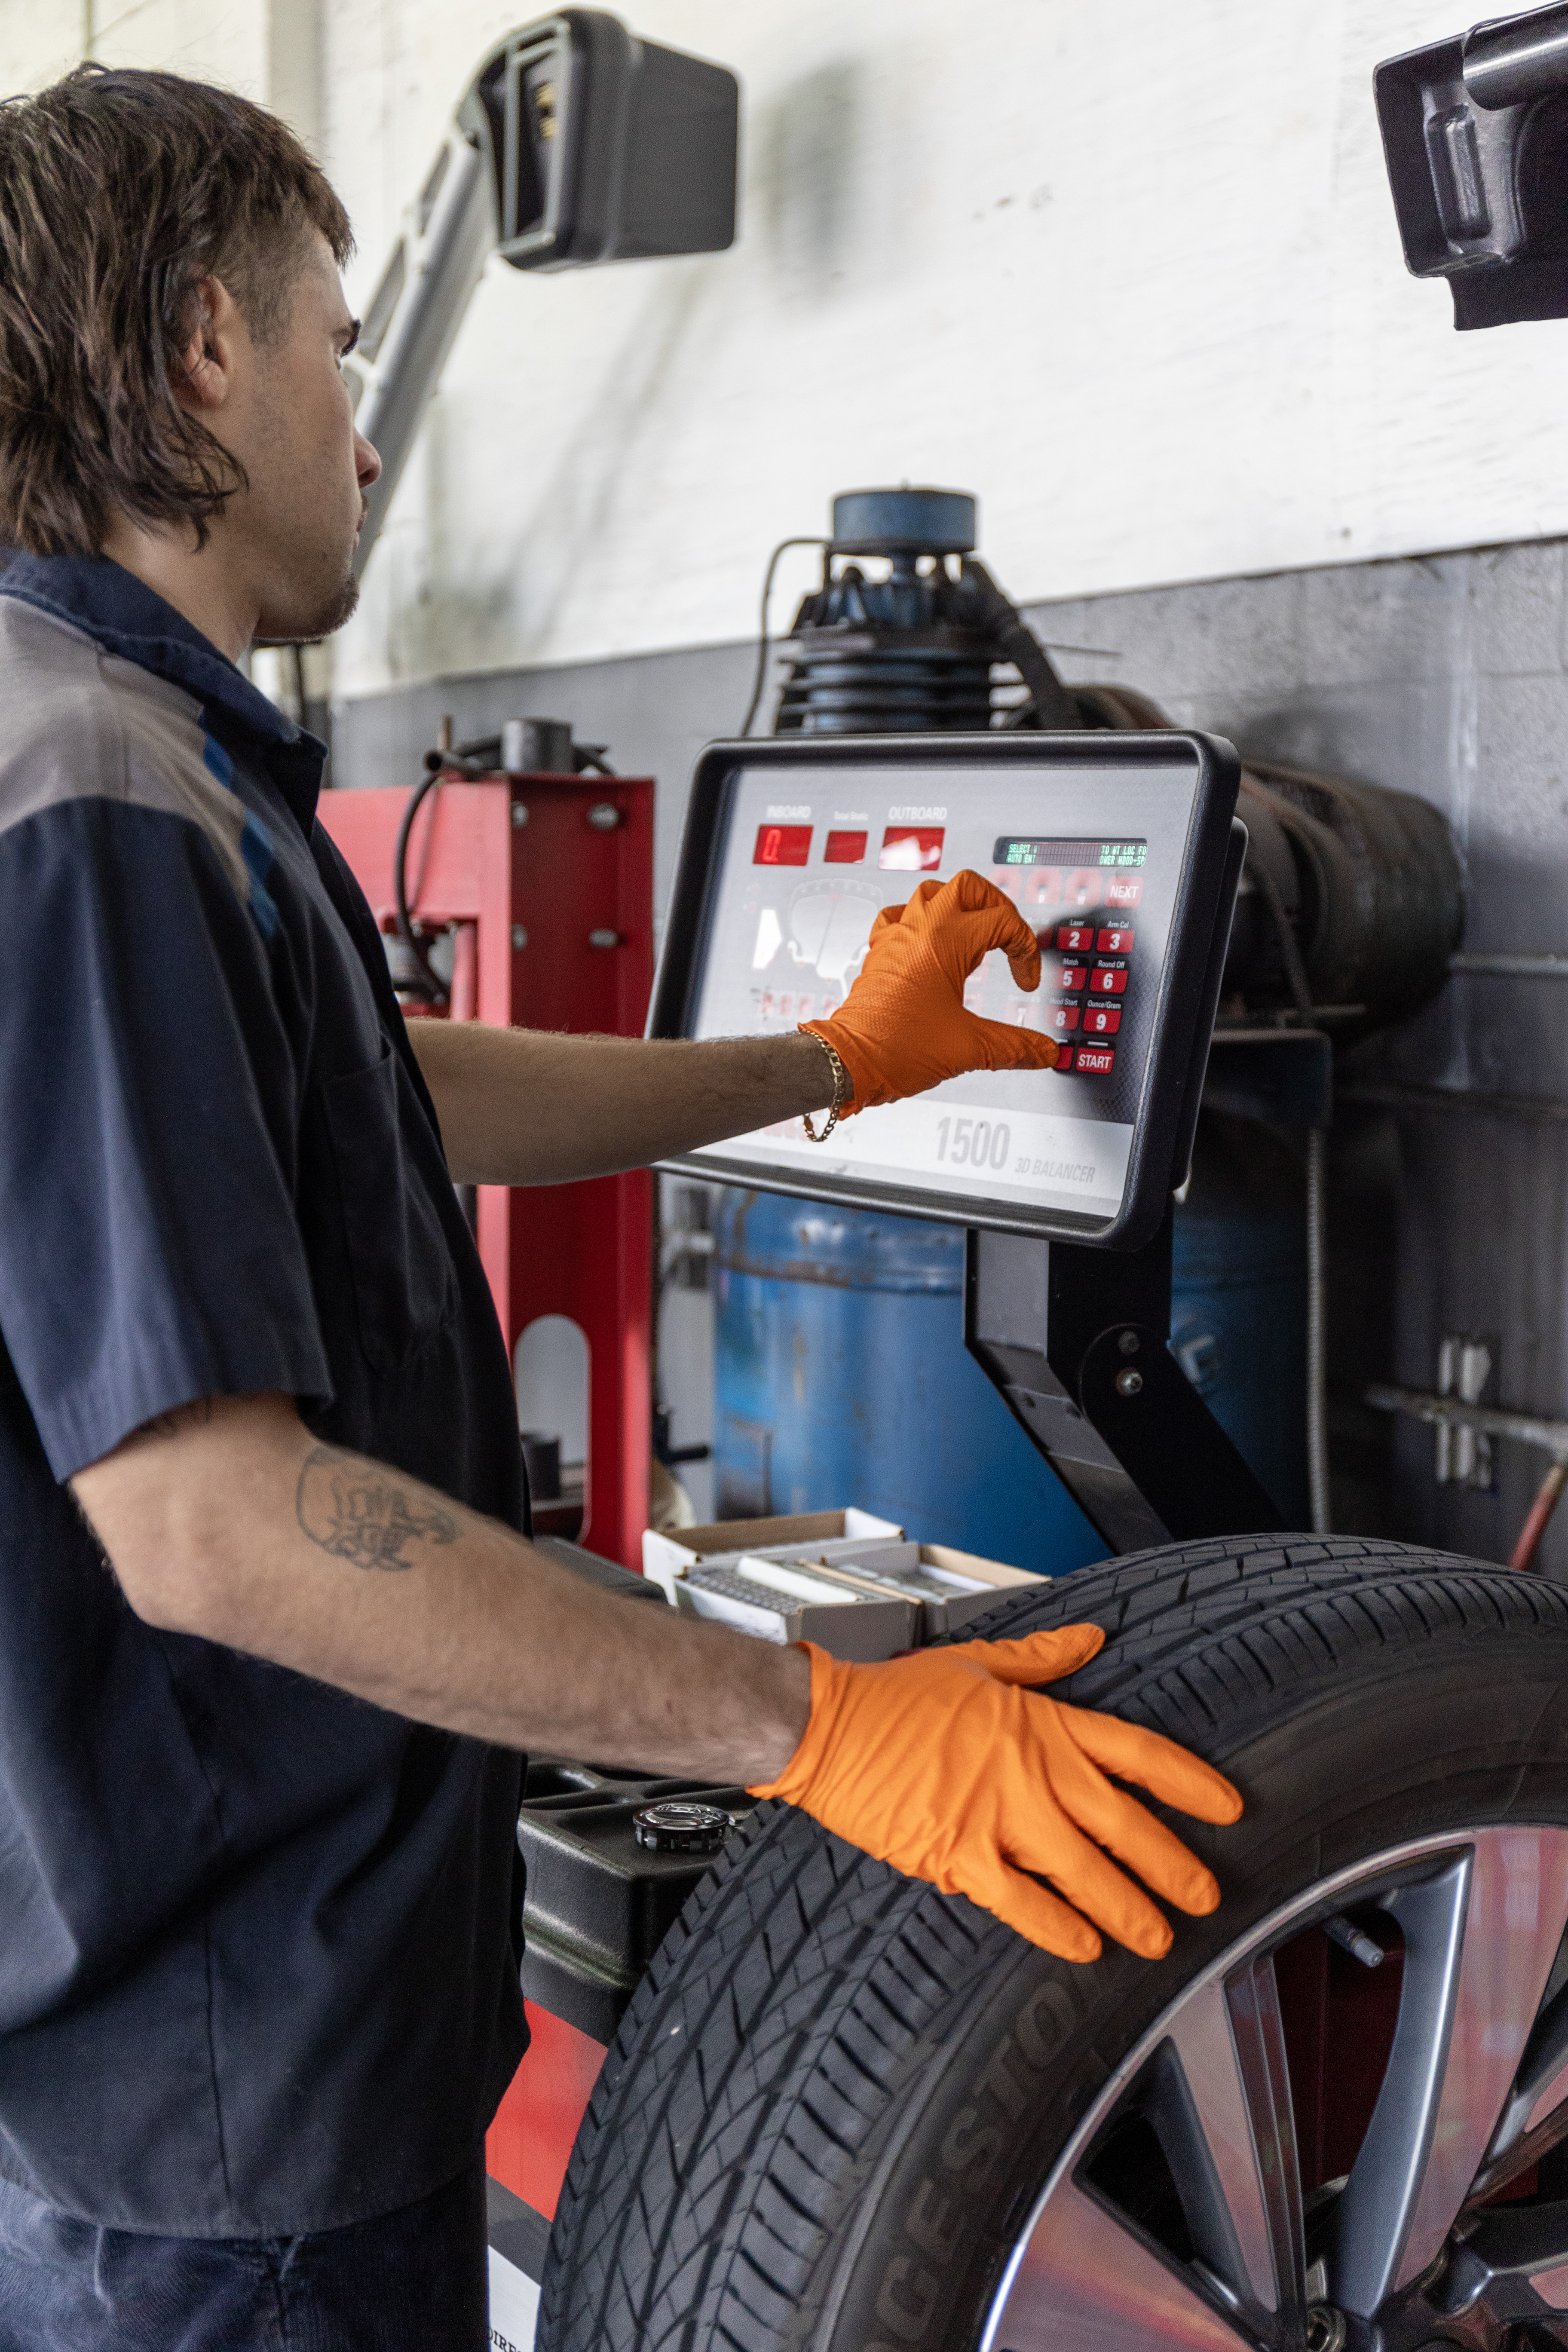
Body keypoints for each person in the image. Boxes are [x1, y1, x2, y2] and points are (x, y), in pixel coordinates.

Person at [0, 62, 1243, 2352]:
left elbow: (380, 1088)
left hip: (178, 2043)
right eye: (337, 348)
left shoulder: (114, 743)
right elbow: (211, 1524)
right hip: (213, 2116)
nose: (365, 433)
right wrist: (816, 1728)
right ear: (202, 348)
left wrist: (832, 1065)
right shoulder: (94, 794)